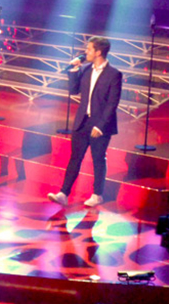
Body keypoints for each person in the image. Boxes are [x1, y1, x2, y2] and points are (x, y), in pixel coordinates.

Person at [47, 36, 122, 208]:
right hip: (82, 121)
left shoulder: (114, 74)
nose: (85, 52)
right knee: (75, 158)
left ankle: (97, 194)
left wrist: (101, 126)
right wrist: (74, 70)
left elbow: (112, 103)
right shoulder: (87, 70)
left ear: (98, 52)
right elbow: (74, 90)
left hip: (100, 125)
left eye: (89, 49)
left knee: (98, 159)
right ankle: (63, 193)